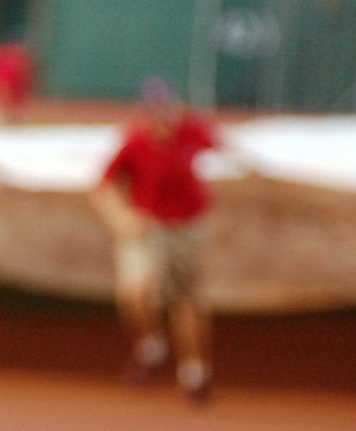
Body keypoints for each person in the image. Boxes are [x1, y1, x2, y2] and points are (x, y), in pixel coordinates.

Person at [90, 76, 254, 402]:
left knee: (188, 298)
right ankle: (151, 347)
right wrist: (120, 217)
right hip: (148, 226)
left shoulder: (192, 130)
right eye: (154, 111)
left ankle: (194, 372)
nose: (161, 118)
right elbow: (102, 185)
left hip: (189, 225)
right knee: (136, 291)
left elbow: (230, 150)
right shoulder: (134, 141)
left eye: (165, 109)